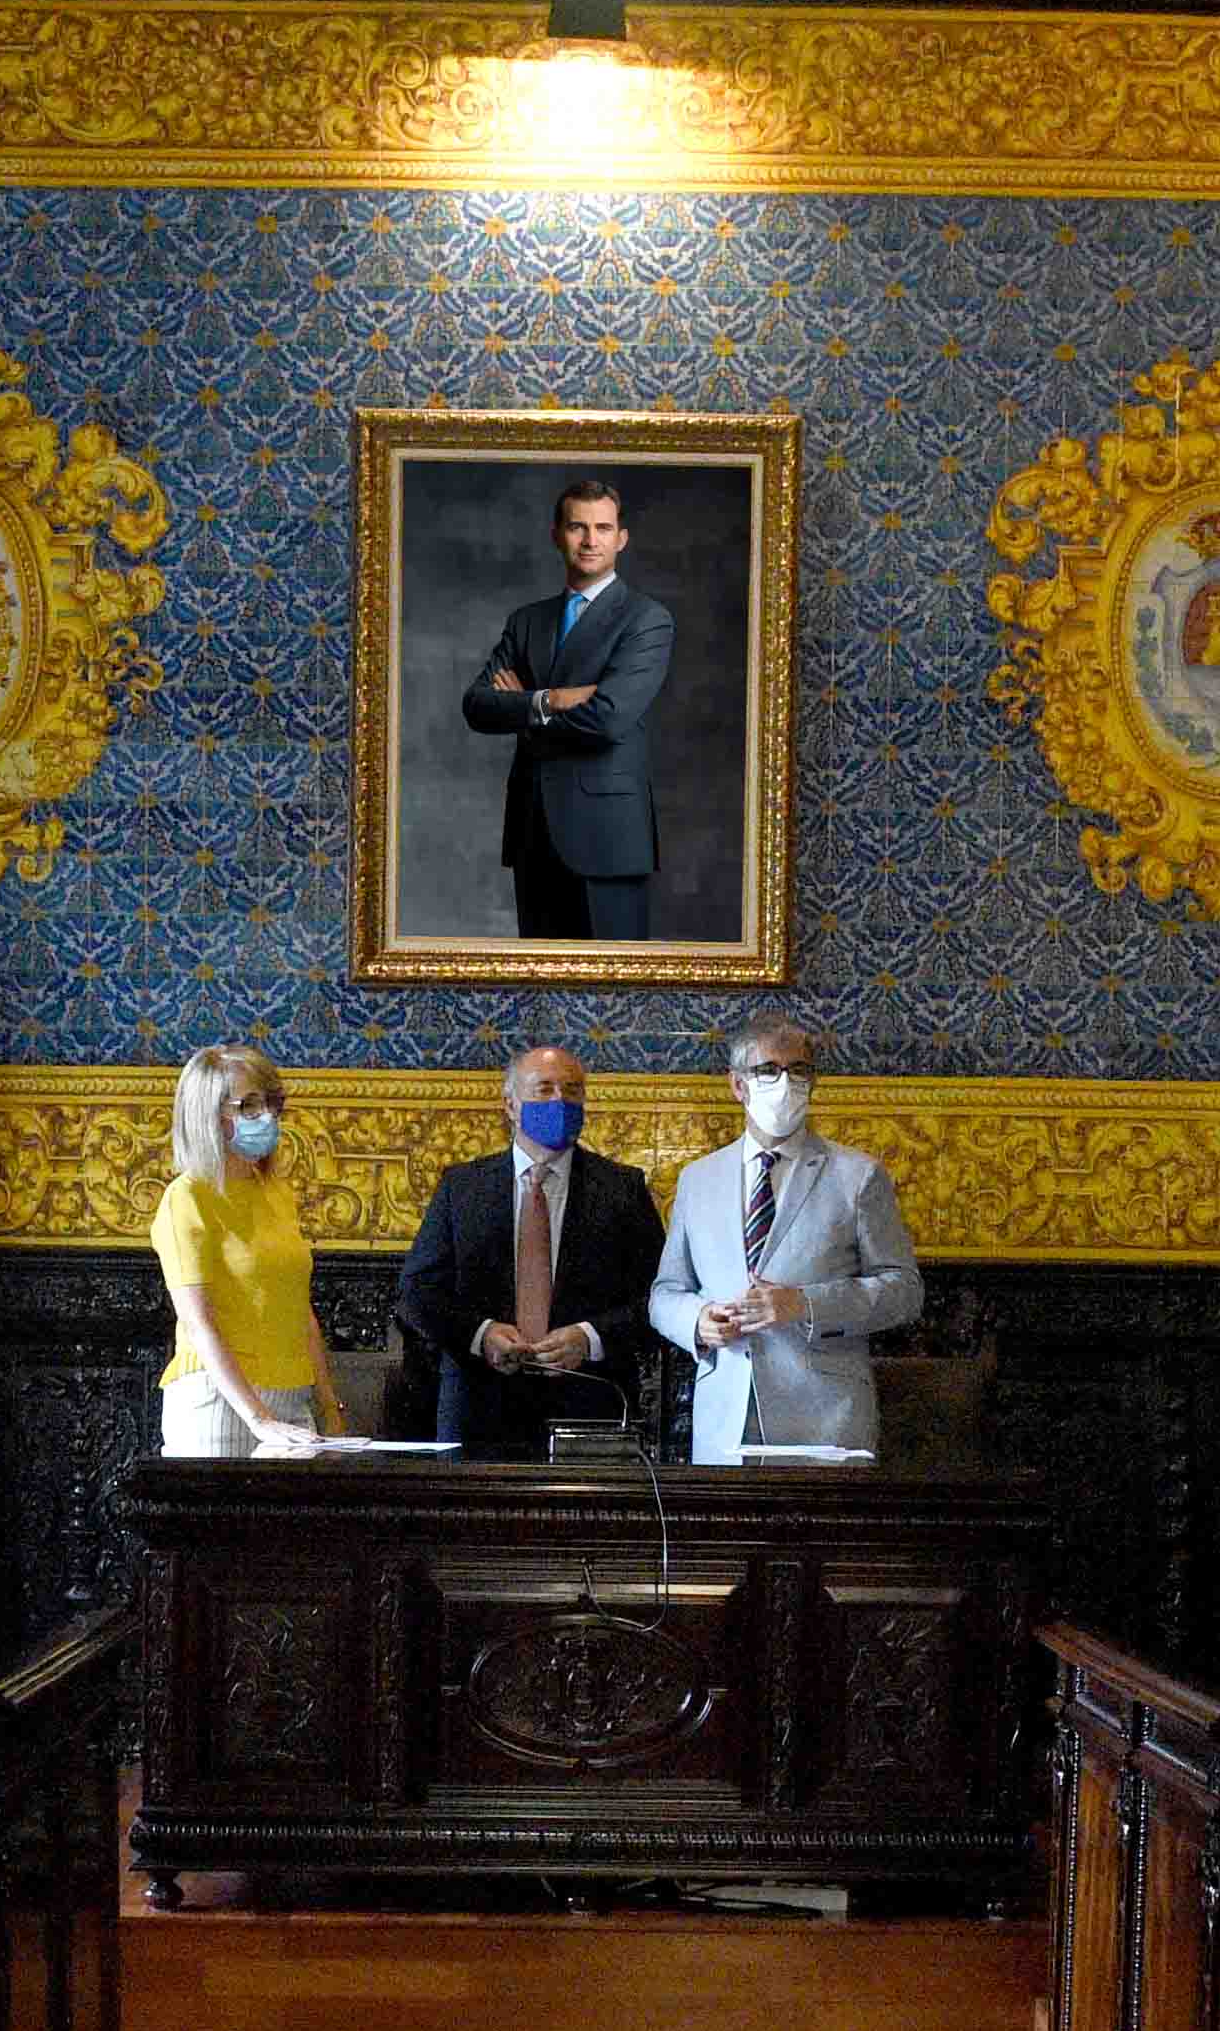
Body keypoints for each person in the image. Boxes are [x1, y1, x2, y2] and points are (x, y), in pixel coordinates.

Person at [648, 1013, 922, 1462]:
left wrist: (805, 1305)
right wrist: (696, 1320)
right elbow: (665, 1294)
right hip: (723, 1418)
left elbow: (904, 1292)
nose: (785, 1083)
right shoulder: (698, 1179)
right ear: (738, 1085)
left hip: (826, 1420)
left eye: (798, 1071)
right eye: (768, 1070)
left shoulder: (858, 1176)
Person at [391, 1042, 666, 1455]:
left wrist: (589, 1337)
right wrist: (481, 1334)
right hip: (479, 1411)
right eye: (544, 1089)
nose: (559, 1101)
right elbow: (417, 1293)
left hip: (589, 1408)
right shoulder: (462, 1188)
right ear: (511, 1105)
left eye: (572, 1091)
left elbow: (658, 1300)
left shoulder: (621, 1189)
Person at [459, 476, 672, 941]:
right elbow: (477, 705)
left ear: (621, 538)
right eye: (578, 527)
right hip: (533, 832)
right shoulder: (526, 621)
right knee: (540, 981)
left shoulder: (646, 620)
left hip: (608, 839)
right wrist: (550, 699)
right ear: (557, 535)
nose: (591, 540)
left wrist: (523, 711)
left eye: (603, 528)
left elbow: (609, 719)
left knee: (611, 982)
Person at [150, 1045, 326, 1460]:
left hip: (293, 1395)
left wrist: (330, 1407)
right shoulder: (187, 1198)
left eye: (271, 1103)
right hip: (219, 1402)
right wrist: (258, 1418)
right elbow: (199, 1324)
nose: (266, 1116)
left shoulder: (276, 1193)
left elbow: (301, 1312)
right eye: (248, 1105)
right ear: (208, 1115)